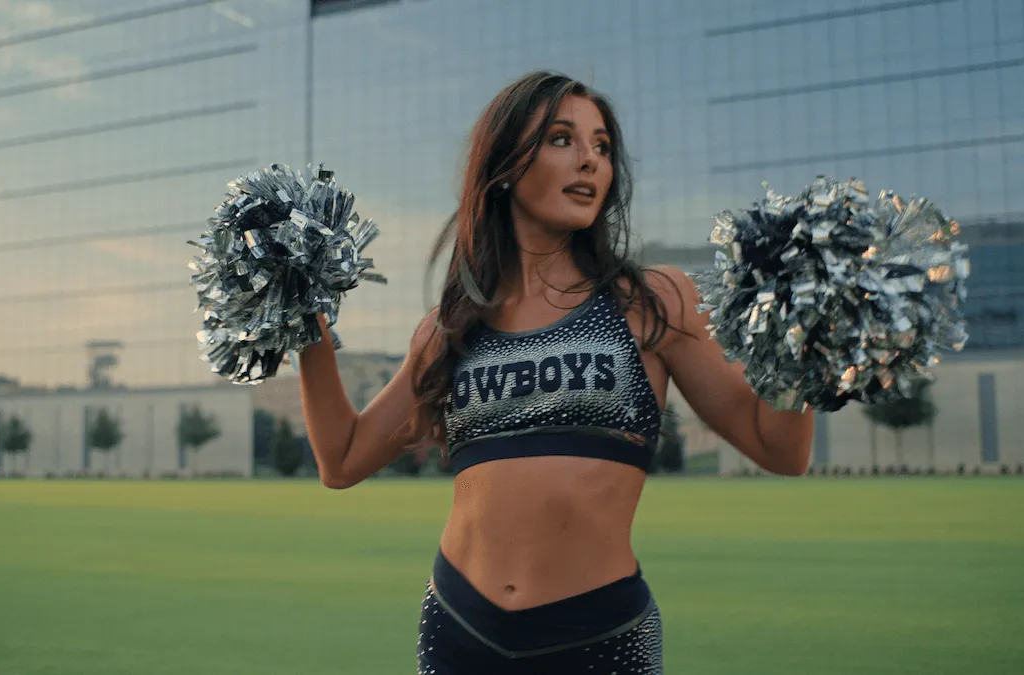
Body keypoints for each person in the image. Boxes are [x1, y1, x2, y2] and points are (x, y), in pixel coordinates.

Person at [297, 70, 815, 674]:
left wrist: (800, 339)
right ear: (507, 161)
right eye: (563, 140)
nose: (590, 162)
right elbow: (342, 459)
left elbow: (779, 448)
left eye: (602, 147)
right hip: (460, 628)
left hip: (597, 636)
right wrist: (302, 317)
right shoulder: (451, 327)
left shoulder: (650, 300)